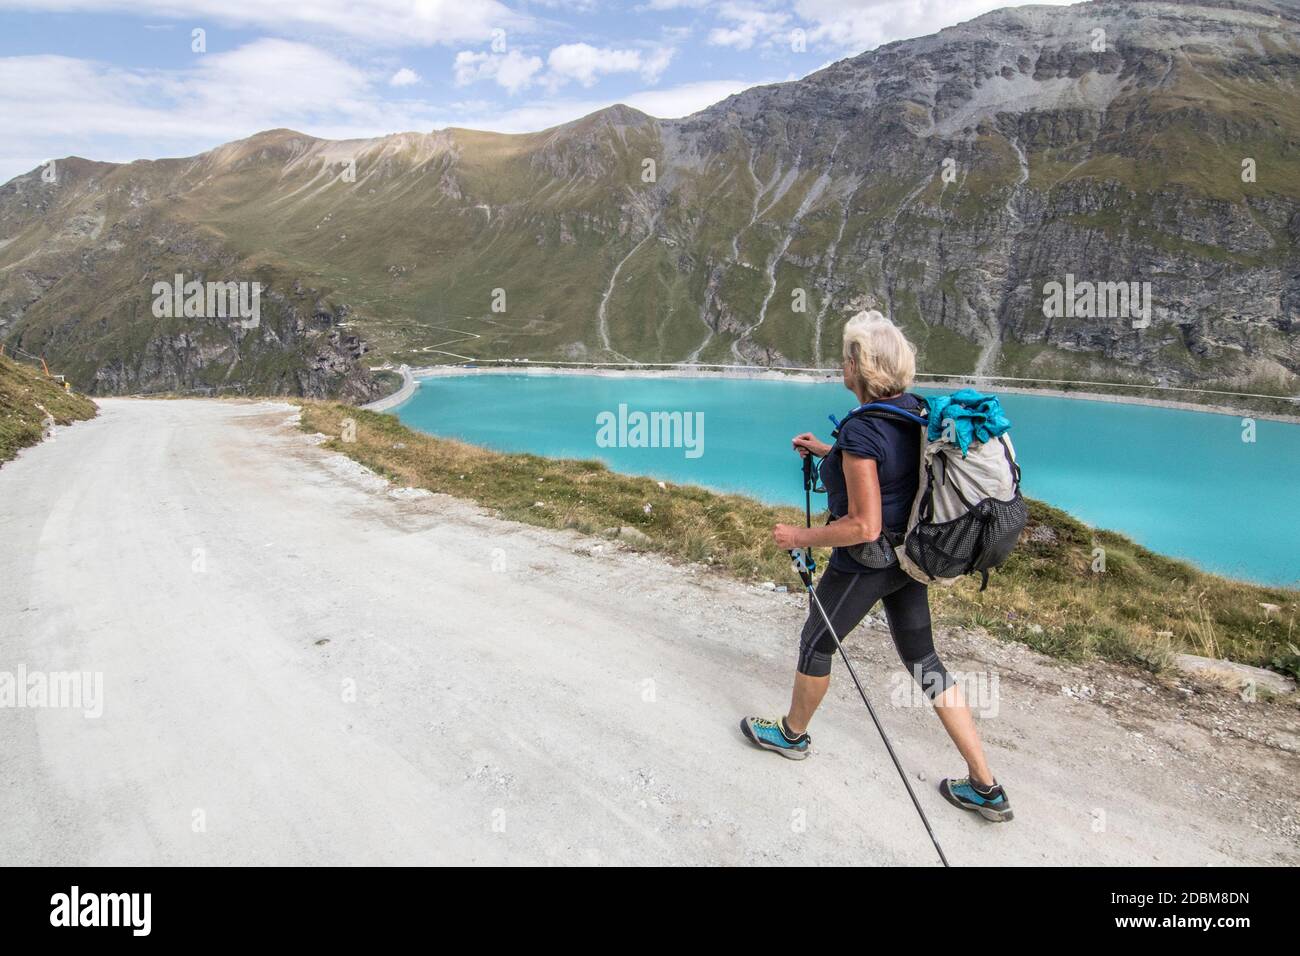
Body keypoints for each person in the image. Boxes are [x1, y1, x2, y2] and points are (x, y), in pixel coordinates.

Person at [740, 311, 1012, 822]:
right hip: (910, 558)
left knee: (817, 643)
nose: (843, 363)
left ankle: (792, 735)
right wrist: (829, 451)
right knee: (924, 662)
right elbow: (892, 478)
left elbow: (862, 525)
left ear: (859, 368)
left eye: (847, 355)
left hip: (867, 561)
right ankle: (985, 784)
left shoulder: (864, 430)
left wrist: (799, 536)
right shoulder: (913, 411)